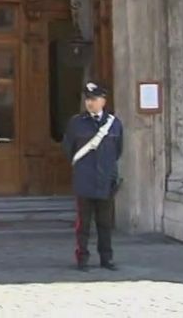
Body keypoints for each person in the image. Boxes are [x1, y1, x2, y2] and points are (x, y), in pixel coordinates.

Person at [62, 81, 123, 272]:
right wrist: (83, 169)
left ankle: (106, 258)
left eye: (94, 99)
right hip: (85, 180)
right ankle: (82, 259)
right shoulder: (76, 123)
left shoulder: (114, 124)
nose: (90, 103)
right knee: (83, 225)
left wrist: (108, 171)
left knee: (105, 224)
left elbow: (118, 150)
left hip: (105, 181)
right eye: (87, 99)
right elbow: (68, 148)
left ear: (103, 101)